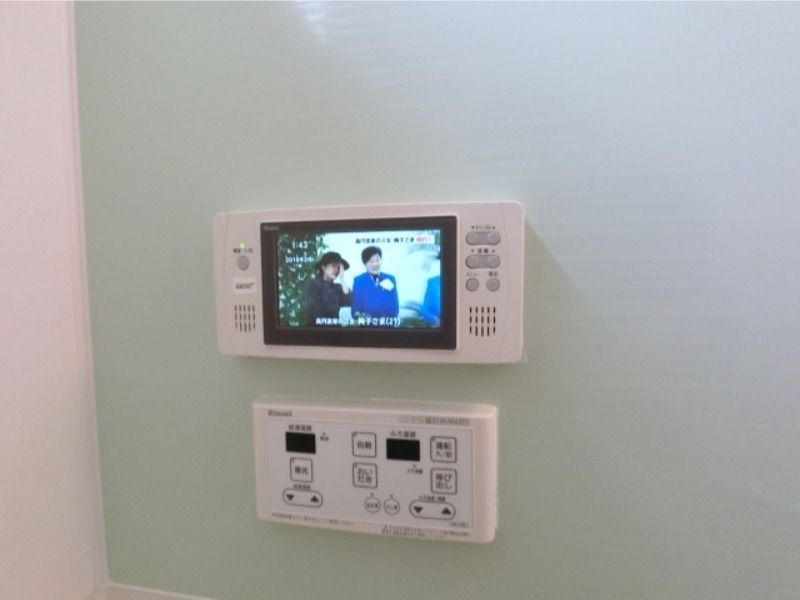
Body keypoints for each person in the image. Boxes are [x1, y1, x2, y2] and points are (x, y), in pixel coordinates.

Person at [351, 246, 399, 322]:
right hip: (366, 325)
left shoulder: (390, 279)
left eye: (377, 260)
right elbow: (355, 308)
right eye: (371, 261)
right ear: (365, 263)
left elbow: (394, 306)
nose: (375, 264)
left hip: (387, 325)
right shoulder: (358, 280)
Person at [305, 251, 351, 326]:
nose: (336, 270)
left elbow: (348, 301)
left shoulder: (337, 287)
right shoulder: (314, 285)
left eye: (338, 267)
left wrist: (342, 279)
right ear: (323, 267)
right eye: (333, 266)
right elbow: (314, 312)